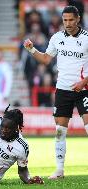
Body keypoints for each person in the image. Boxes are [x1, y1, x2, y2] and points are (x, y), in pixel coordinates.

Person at [23, 6, 88, 179]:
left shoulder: (87, 39)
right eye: (65, 20)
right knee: (60, 130)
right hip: (63, 89)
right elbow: (45, 59)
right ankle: (59, 170)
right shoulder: (57, 38)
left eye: (71, 20)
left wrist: (83, 82)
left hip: (84, 88)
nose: (67, 23)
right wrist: (31, 49)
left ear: (78, 19)